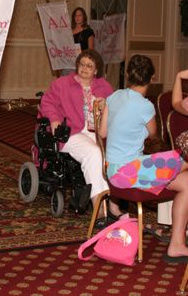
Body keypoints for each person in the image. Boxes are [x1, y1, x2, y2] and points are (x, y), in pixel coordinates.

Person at [100, 54, 188, 263]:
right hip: (130, 173)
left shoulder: (113, 97)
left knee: (185, 180)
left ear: (128, 74)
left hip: (112, 170)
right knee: (181, 161)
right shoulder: (145, 106)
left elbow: (103, 132)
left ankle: (177, 243)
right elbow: (153, 134)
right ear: (153, 78)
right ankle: (177, 243)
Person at [40, 49, 121, 224]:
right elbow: (47, 103)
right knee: (93, 153)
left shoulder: (104, 87)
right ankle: (100, 209)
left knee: (115, 156)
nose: (84, 68)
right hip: (72, 132)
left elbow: (115, 109)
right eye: (82, 64)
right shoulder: (62, 84)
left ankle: (115, 203)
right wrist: (54, 120)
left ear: (96, 70)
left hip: (98, 132)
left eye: (89, 66)